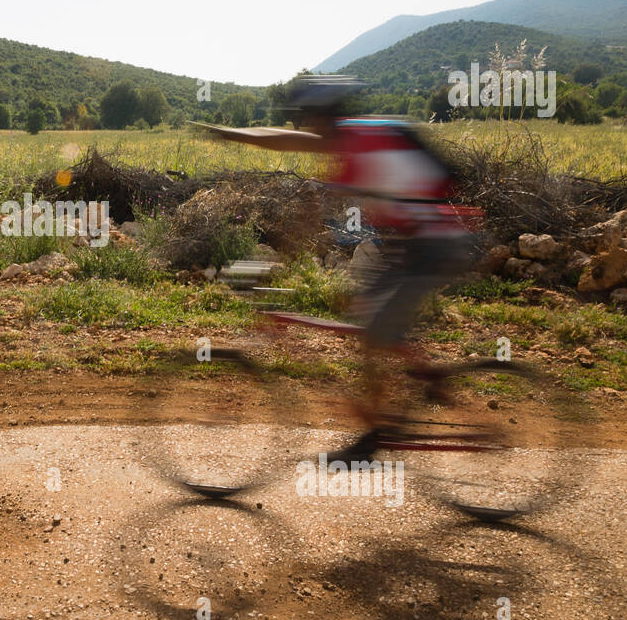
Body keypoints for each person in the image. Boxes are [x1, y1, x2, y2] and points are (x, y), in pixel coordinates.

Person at [194, 75, 477, 460]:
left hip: (434, 245)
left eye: (307, 117)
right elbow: (278, 138)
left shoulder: (357, 147)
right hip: (417, 244)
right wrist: (230, 133)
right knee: (366, 322)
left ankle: (382, 431)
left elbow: (311, 218)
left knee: (375, 333)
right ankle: (391, 413)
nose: (304, 126)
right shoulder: (353, 135)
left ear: (321, 117)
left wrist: (271, 261)